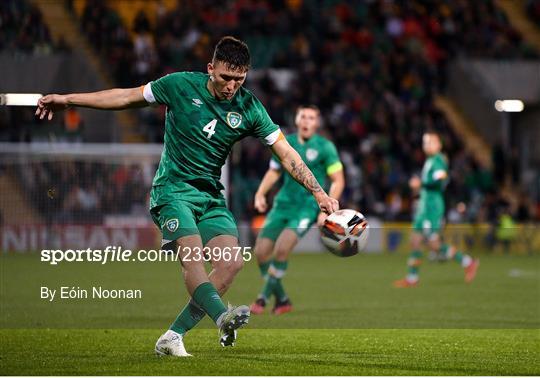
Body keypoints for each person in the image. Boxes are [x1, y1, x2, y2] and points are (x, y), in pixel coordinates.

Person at [35, 36, 339, 356]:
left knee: (231, 264)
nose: (231, 86)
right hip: (173, 190)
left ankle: (172, 337)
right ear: (211, 69)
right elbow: (125, 96)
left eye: (239, 79)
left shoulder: (249, 107)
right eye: (225, 77)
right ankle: (222, 316)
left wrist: (318, 192)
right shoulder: (179, 85)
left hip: (210, 196)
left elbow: (286, 152)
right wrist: (68, 99)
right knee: (192, 257)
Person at [250, 105, 345, 314]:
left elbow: (338, 180)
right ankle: (283, 299)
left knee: (282, 250)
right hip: (282, 204)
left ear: (317, 123)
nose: (306, 121)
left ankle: (262, 298)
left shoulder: (325, 147)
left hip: (307, 207)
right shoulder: (286, 142)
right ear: (296, 119)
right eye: (303, 117)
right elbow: (274, 172)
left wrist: (327, 208)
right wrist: (260, 193)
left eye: (311, 118)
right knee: (261, 252)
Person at [394, 132, 479, 288]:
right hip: (424, 207)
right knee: (415, 241)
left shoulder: (439, 160)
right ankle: (412, 278)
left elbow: (441, 179)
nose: (427, 145)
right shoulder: (430, 160)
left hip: (432, 207)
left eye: (431, 142)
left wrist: (421, 184)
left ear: (439, 145)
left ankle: (468, 262)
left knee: (434, 244)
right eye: (425, 142)